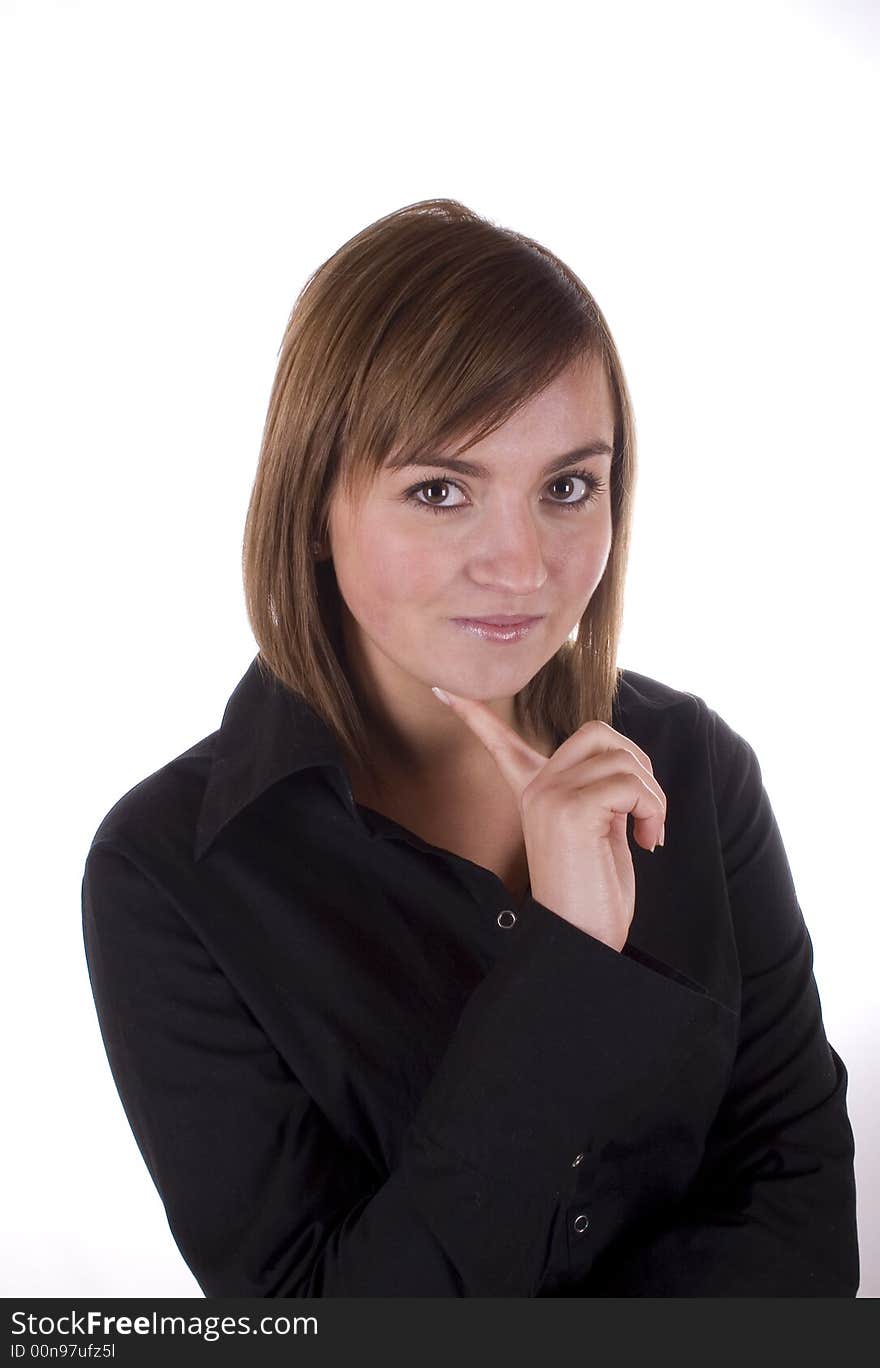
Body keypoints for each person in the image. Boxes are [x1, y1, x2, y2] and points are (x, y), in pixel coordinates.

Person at [81, 198, 859, 1298]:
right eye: (440, 490)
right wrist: (570, 962)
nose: (522, 564)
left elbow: (803, 1227)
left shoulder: (692, 768)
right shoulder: (172, 871)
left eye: (567, 487)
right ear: (314, 505)